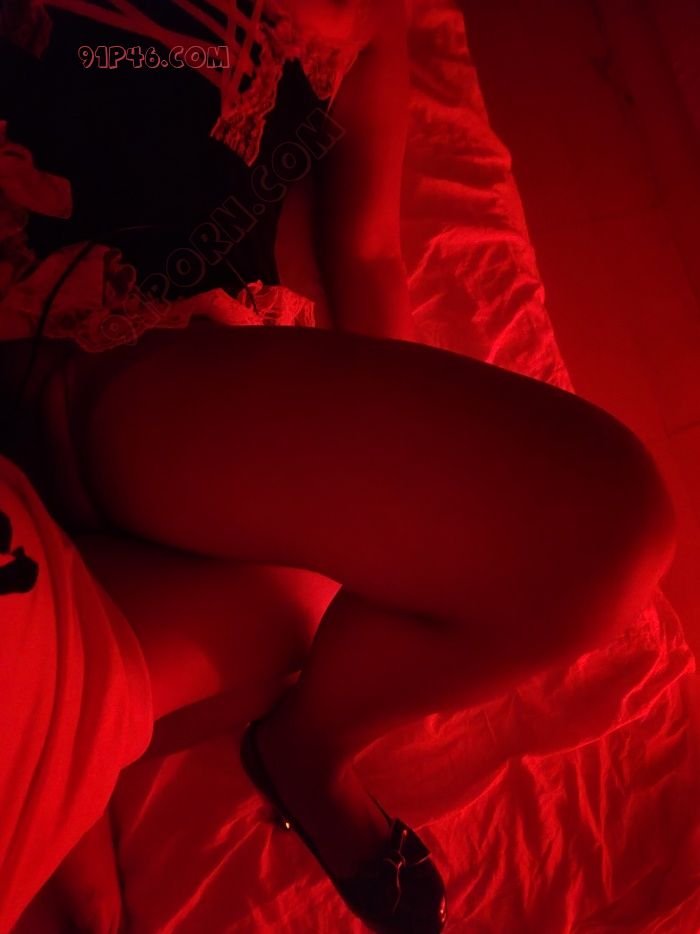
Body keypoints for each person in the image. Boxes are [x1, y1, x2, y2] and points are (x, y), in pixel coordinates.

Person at [0, 0, 677, 931]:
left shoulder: (365, 20)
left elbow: (366, 252)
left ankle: (308, 745)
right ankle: (75, 766)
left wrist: (371, 456)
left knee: (595, 533)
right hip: (51, 326)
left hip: (154, 362)